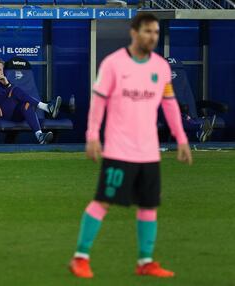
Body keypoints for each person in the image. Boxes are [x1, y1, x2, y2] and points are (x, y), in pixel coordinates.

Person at [69, 13, 193, 279]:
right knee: (103, 201)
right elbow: (99, 102)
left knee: (149, 206)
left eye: (156, 32)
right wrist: (92, 135)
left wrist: (181, 139)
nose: (152, 37)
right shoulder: (113, 65)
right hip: (118, 150)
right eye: (148, 31)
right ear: (134, 33)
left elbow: (169, 104)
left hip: (149, 152)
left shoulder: (160, 67)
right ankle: (80, 257)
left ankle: (145, 261)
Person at [0, 58, 61, 144]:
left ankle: (39, 136)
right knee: (15, 90)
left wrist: (7, 85)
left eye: (0, 70)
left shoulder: (2, 81)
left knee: (26, 104)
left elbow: (7, 97)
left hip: (6, 112)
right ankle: (45, 107)